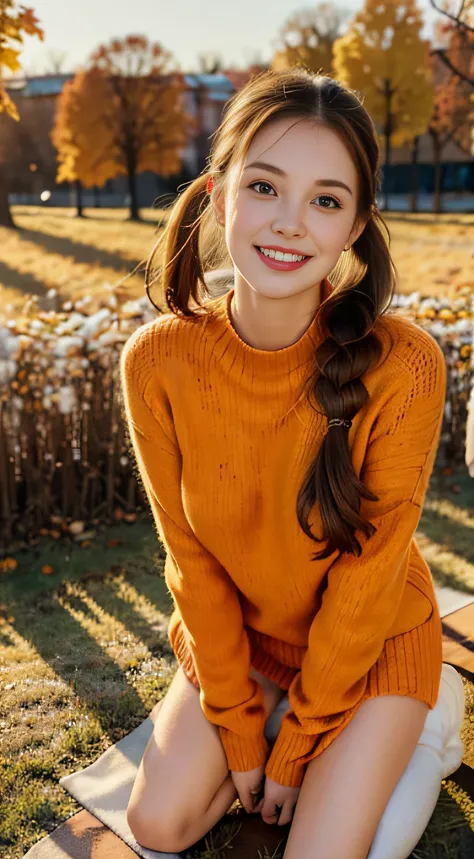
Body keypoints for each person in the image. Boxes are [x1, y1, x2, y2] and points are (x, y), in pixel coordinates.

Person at [119, 68, 465, 859]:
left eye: (326, 199)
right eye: (266, 186)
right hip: (250, 636)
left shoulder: (404, 365)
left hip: (373, 639)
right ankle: (296, 727)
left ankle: (423, 725)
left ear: (354, 225)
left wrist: (298, 743)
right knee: (157, 825)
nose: (290, 224)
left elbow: (369, 578)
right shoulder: (157, 360)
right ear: (218, 193)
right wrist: (242, 729)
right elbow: (190, 559)